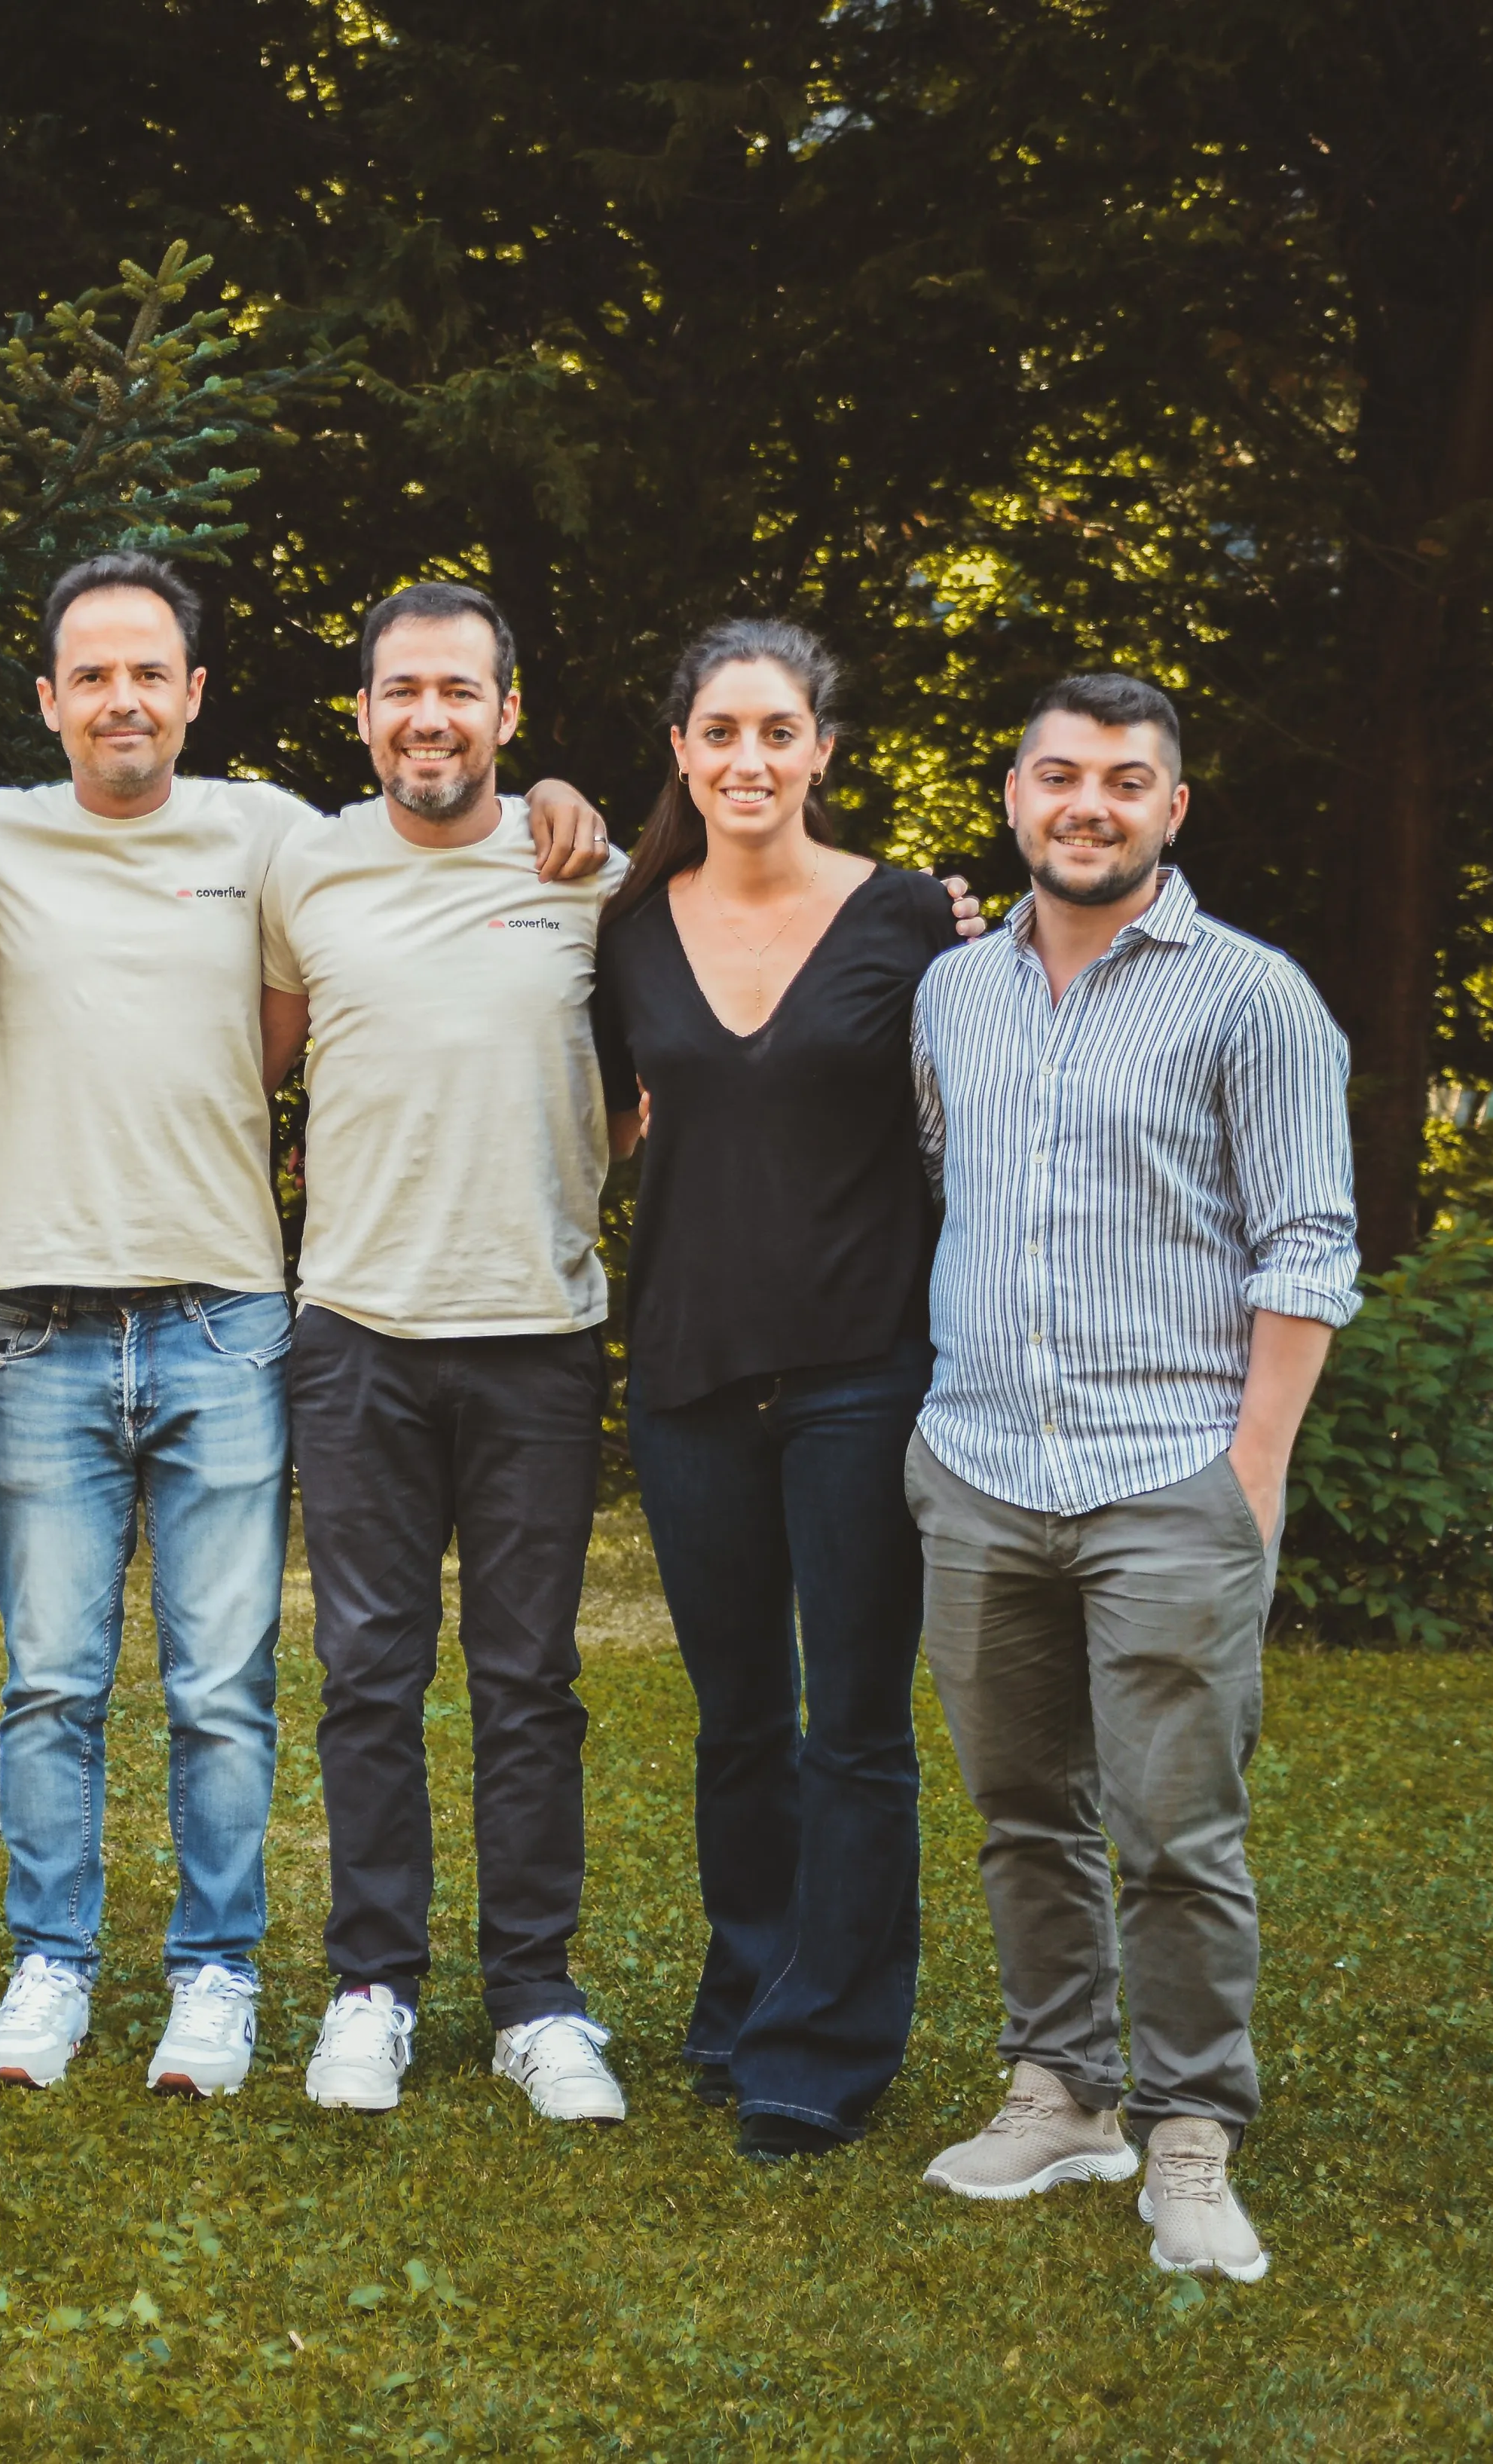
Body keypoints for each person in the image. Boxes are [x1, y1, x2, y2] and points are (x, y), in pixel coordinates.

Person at [0, 555, 608, 2100]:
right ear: (47, 699)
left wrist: (559, 792)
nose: (119, 697)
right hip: (77, 1318)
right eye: (87, 674)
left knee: (238, 1683)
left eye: (147, 670)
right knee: (55, 1679)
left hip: (247, 1317)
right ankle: (71, 1966)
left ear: (193, 690)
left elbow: (581, 1021)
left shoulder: (282, 841)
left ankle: (241, 1976)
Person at [906, 673, 1355, 2284]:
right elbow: (937, 1187)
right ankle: (1059, 2090)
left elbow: (1307, 1246)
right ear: (1012, 799)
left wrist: (1245, 1472)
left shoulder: (1251, 997)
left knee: (1175, 1830)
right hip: (974, 1465)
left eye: (1121, 780)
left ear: (1170, 808)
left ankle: (1185, 2127)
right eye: (1053, 775)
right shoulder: (950, 994)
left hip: (1166, 1472)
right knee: (1021, 1812)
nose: (1082, 803)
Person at [260, 582, 634, 2125]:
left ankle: (534, 1997)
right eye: (399, 690)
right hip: (356, 1336)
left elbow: (665, 1062)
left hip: (539, 1335)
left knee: (526, 1683)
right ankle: (370, 1985)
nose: (428, 715)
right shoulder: (301, 869)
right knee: (365, 1678)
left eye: (458, 691)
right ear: (360, 713)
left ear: (506, 711)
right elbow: (251, 1067)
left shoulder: (592, 870)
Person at [589, 621, 960, 2158]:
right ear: (678, 748)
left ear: (819, 748)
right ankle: (745, 1989)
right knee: (737, 1717)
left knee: (852, 1726)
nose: (746, 760)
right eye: (717, 732)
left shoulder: (904, 922)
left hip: (858, 1371)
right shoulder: (623, 927)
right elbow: (605, 1125)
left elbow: (963, 1124)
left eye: (776, 732)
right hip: (685, 1369)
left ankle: (826, 2041)